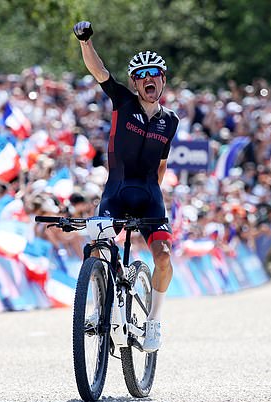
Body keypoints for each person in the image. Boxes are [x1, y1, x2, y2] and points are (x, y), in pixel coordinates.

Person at [73, 21, 179, 352]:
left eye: (155, 74)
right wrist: (85, 41)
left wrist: (153, 204)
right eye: (141, 75)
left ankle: (154, 321)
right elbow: (98, 69)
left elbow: (161, 164)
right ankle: (97, 306)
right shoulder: (122, 101)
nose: (149, 79)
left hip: (149, 196)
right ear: (135, 82)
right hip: (116, 192)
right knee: (98, 243)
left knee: (162, 255)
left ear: (162, 80)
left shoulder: (170, 121)